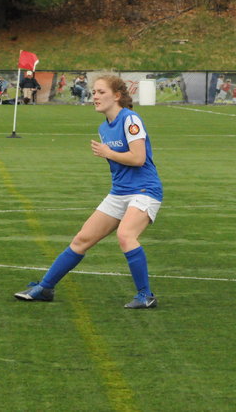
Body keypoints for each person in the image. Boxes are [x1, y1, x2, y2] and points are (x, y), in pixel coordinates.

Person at [14, 75, 163, 309]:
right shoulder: (104, 128)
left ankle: (146, 296)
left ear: (117, 95)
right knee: (81, 240)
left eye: (101, 92)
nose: (95, 97)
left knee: (125, 235)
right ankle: (45, 288)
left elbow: (138, 158)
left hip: (144, 190)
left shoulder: (130, 119)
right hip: (119, 192)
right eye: (94, 92)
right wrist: (109, 154)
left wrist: (107, 153)